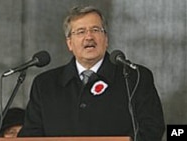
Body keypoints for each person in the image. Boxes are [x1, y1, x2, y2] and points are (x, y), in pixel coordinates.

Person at [17, 5, 165, 141]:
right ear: (69, 43)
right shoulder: (45, 84)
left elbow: (152, 129)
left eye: (95, 30)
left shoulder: (134, 77)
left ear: (106, 39)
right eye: (81, 32)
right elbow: (30, 135)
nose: (89, 37)